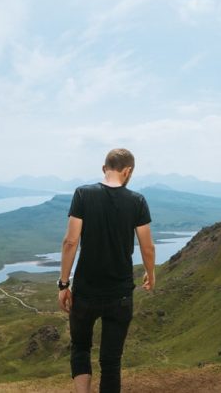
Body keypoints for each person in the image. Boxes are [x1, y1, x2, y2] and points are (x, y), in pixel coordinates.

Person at [58, 148, 156, 393]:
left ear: (104, 168)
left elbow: (70, 242)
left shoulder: (82, 194)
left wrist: (63, 284)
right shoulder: (137, 201)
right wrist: (150, 273)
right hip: (120, 294)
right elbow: (148, 247)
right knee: (111, 361)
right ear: (128, 171)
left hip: (85, 291)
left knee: (80, 348)